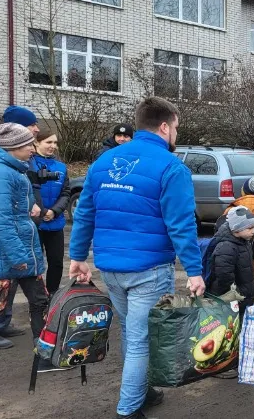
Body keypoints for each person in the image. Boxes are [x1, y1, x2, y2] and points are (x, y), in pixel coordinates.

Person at [68, 97, 205, 419]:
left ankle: (143, 391)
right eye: (175, 128)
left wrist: (77, 256)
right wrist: (195, 271)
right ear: (164, 126)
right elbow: (181, 224)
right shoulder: (172, 167)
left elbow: (86, 212)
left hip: (110, 267)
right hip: (148, 268)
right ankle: (128, 410)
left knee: (133, 331)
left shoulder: (103, 162)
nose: (176, 134)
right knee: (141, 339)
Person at [0, 123, 50, 375]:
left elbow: (15, 209)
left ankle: (45, 354)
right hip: (10, 253)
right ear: (12, 146)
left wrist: (31, 207)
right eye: (28, 144)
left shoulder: (15, 170)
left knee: (39, 300)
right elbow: (0, 219)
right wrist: (18, 256)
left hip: (24, 252)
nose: (33, 148)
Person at [31, 130, 71, 294]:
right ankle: (38, 297)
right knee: (35, 263)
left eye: (55, 143)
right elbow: (26, 191)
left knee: (56, 262)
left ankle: (52, 294)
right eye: (48, 142)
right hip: (35, 223)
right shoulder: (28, 165)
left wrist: (54, 211)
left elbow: (66, 192)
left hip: (55, 222)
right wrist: (41, 211)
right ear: (37, 143)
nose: (53, 146)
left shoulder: (61, 167)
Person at [208, 206, 254, 315]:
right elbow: (224, 274)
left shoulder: (244, 242)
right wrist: (236, 292)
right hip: (232, 298)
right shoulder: (227, 247)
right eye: (249, 228)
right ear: (236, 228)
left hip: (244, 295)